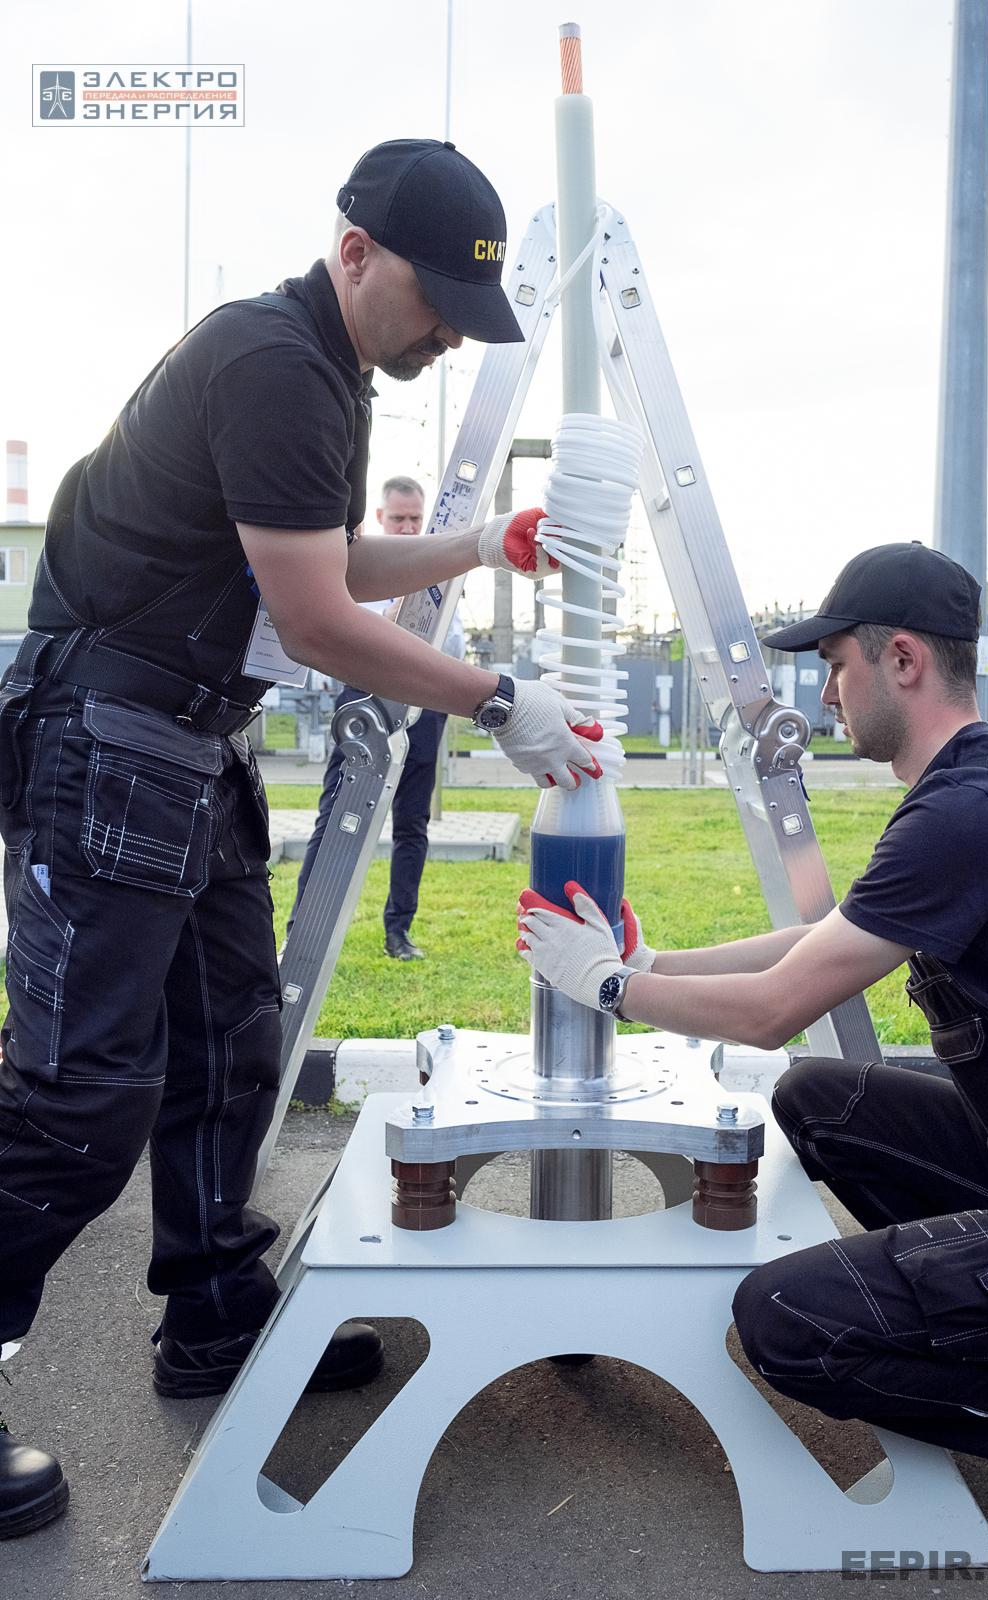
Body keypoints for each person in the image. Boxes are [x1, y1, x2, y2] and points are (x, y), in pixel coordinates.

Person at [0, 137, 605, 1538]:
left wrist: (479, 547)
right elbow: (321, 622)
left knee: (228, 1048)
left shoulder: (324, 375)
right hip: (113, 743)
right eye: (438, 301)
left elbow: (321, 562)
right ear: (353, 251)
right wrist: (495, 698)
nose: (450, 337)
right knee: (82, 1101)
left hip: (183, 750)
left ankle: (214, 1314)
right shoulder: (272, 362)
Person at [518, 541, 988, 1562]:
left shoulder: (967, 811)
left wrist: (608, 986)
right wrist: (652, 960)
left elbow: (777, 1007)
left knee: (782, 1321)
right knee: (821, 1098)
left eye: (835, 665)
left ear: (900, 659)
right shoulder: (971, 786)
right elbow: (822, 943)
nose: (824, 695)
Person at [290, 475, 465, 960]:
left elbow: (454, 645)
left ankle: (398, 933)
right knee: (335, 817)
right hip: (366, 702)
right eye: (400, 519)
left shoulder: (440, 576)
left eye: (415, 519)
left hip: (425, 706)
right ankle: (301, 930)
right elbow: (339, 637)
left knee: (412, 822)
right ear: (382, 518)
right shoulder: (355, 571)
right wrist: (391, 625)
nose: (408, 528)